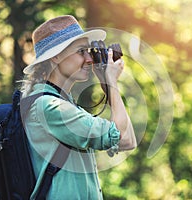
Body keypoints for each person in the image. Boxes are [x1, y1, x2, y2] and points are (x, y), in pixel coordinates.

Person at [20, 15, 137, 200]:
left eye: (89, 51)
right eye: (82, 51)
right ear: (56, 56)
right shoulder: (49, 107)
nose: (90, 59)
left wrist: (106, 83)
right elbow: (121, 135)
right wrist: (112, 82)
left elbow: (128, 141)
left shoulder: (65, 104)